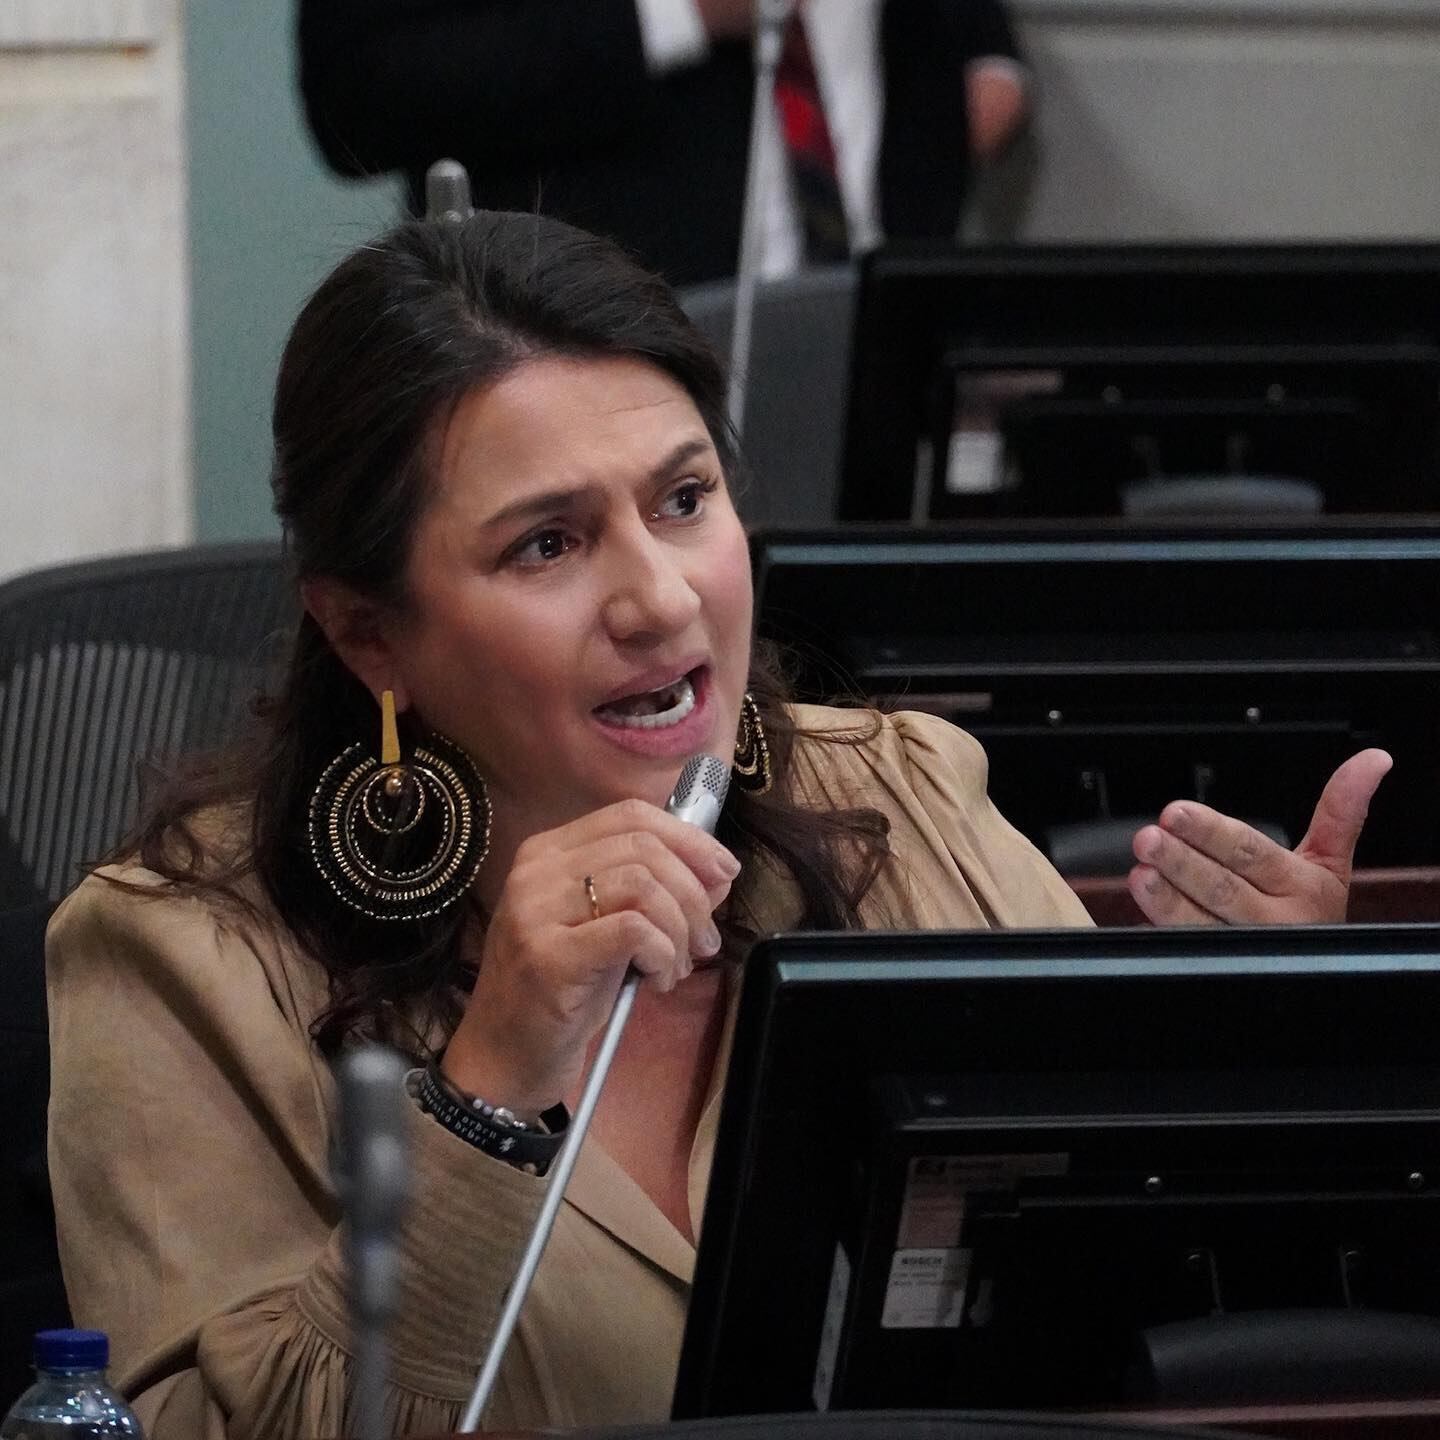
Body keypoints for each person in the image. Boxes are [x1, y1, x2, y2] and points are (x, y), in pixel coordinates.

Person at [46, 211, 1387, 1440]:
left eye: (685, 500)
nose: (659, 600)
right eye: (546, 546)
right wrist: (492, 1080)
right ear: (370, 636)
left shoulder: (905, 796)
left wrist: (1275, 1064)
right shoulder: (179, 955)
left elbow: (1156, 1312)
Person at [297, 0, 1031, 286]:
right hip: (604, 336)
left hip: (880, 309)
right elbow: (357, 96)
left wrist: (990, 54)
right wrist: (672, 17)